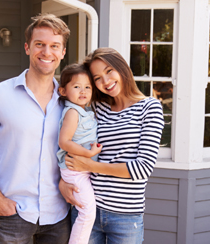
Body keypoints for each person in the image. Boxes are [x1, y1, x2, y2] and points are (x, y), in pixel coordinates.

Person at [0, 13, 72, 244]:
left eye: (55, 46)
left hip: (59, 215)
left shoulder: (69, 100)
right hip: (13, 213)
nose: (47, 52)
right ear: (27, 47)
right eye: (39, 44)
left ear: (63, 52)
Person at [59, 47, 165, 244]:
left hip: (125, 216)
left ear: (122, 68)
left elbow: (142, 168)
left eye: (109, 71)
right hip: (87, 207)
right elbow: (68, 140)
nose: (105, 82)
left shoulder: (149, 108)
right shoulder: (97, 108)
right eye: (97, 78)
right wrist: (63, 181)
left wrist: (90, 166)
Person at [56, 63, 101, 244]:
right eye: (77, 87)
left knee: (86, 209)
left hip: (81, 170)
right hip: (75, 170)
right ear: (63, 91)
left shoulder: (85, 111)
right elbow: (64, 141)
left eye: (87, 87)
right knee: (87, 211)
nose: (83, 91)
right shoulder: (73, 112)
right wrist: (88, 153)